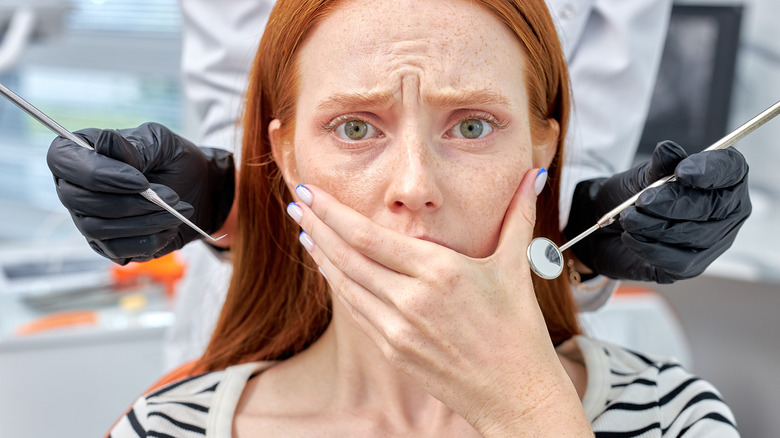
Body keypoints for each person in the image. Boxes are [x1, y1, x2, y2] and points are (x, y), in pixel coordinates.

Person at [106, 0, 739, 435]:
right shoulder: (166, 427)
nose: (414, 187)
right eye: (355, 127)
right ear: (285, 153)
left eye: (471, 125)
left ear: (544, 147)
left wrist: (526, 409)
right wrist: (224, 196)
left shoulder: (672, 418)